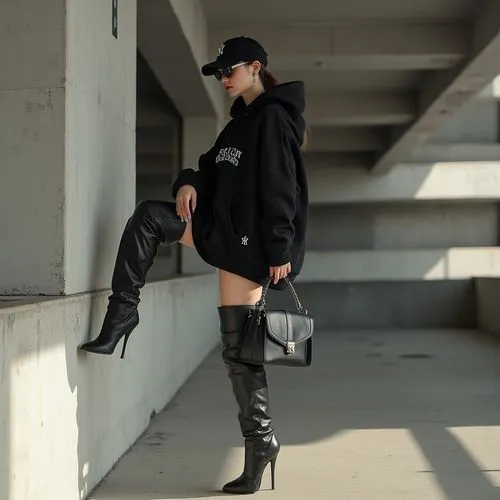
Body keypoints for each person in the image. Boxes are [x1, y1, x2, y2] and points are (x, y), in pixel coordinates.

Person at [79, 36, 309, 495]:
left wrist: (279, 249)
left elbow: (282, 188)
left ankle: (261, 442)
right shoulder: (239, 122)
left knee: (240, 352)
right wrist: (188, 181)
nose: (224, 79)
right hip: (221, 228)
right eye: (219, 73)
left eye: (229, 70)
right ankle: (123, 312)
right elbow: (210, 167)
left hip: (251, 246)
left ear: (256, 67)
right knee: (150, 216)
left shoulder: (274, 119)